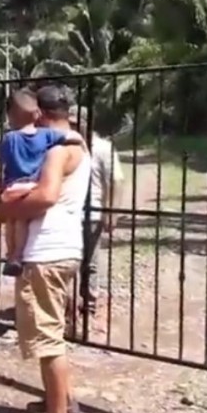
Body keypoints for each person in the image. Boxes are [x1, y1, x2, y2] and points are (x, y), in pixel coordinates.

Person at [0, 85, 91, 413]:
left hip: (47, 251)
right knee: (52, 334)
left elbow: (45, 196)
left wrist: (4, 210)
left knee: (48, 340)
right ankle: (64, 405)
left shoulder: (57, 150)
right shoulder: (75, 142)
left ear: (39, 114)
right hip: (63, 248)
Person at [0, 89, 82, 277]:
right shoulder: (47, 137)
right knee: (21, 222)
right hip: (31, 185)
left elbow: (46, 198)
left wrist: (2, 210)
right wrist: (81, 140)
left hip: (12, 187)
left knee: (12, 221)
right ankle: (17, 254)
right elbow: (71, 137)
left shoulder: (10, 138)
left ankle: (11, 254)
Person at [69, 106, 124, 315]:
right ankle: (71, 303)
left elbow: (115, 181)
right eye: (70, 122)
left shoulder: (102, 148)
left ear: (87, 123)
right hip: (70, 211)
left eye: (76, 123)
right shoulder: (66, 145)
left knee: (90, 260)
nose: (72, 127)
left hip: (92, 213)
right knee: (69, 259)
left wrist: (111, 212)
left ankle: (89, 302)